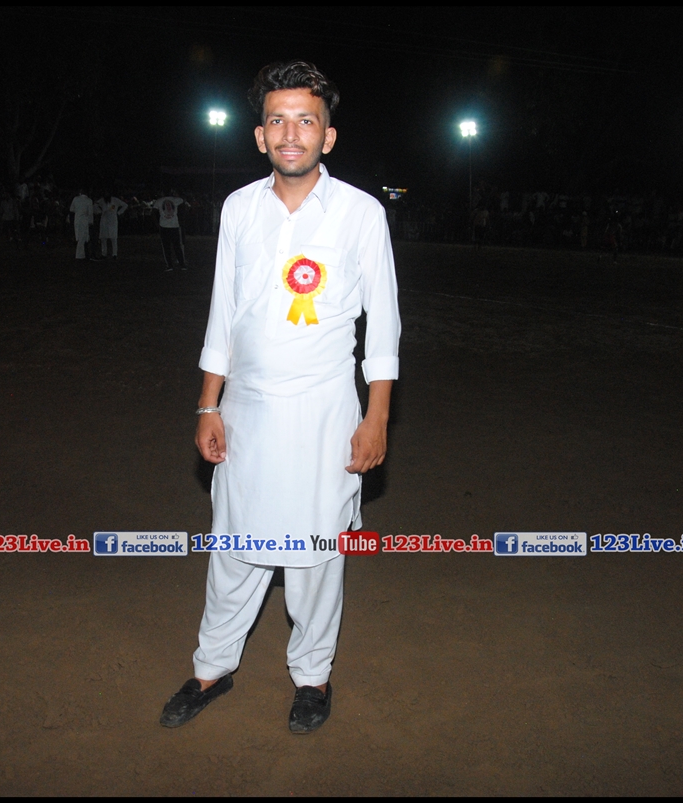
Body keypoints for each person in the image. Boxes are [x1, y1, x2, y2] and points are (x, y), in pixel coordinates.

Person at [159, 61, 400, 735]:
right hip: (247, 412)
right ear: (260, 135)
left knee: (315, 557)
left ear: (328, 136)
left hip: (325, 413)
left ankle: (312, 677)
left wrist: (377, 417)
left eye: (306, 120)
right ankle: (212, 668)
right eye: (277, 120)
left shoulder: (361, 213)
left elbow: (384, 325)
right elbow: (223, 313)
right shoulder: (239, 208)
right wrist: (208, 404)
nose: (291, 133)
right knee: (235, 548)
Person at [151, 189, 188, 270]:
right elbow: (183, 201)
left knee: (166, 247)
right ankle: (182, 264)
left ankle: (169, 265)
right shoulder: (175, 200)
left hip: (164, 226)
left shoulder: (159, 201)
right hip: (174, 225)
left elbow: (153, 212)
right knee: (177, 246)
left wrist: (157, 224)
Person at [96, 193, 128, 258]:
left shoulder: (115, 200)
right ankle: (104, 253)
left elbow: (125, 205)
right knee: (103, 238)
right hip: (104, 220)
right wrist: (99, 211)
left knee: (113, 238)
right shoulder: (101, 200)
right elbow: (95, 205)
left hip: (113, 221)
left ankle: (114, 254)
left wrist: (119, 213)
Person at [69, 188, 95, 260]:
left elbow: (71, 209)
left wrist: (78, 211)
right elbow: (90, 213)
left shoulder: (75, 199)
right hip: (85, 220)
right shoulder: (89, 200)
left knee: (80, 236)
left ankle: (83, 253)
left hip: (77, 219)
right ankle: (80, 254)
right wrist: (91, 222)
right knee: (83, 237)